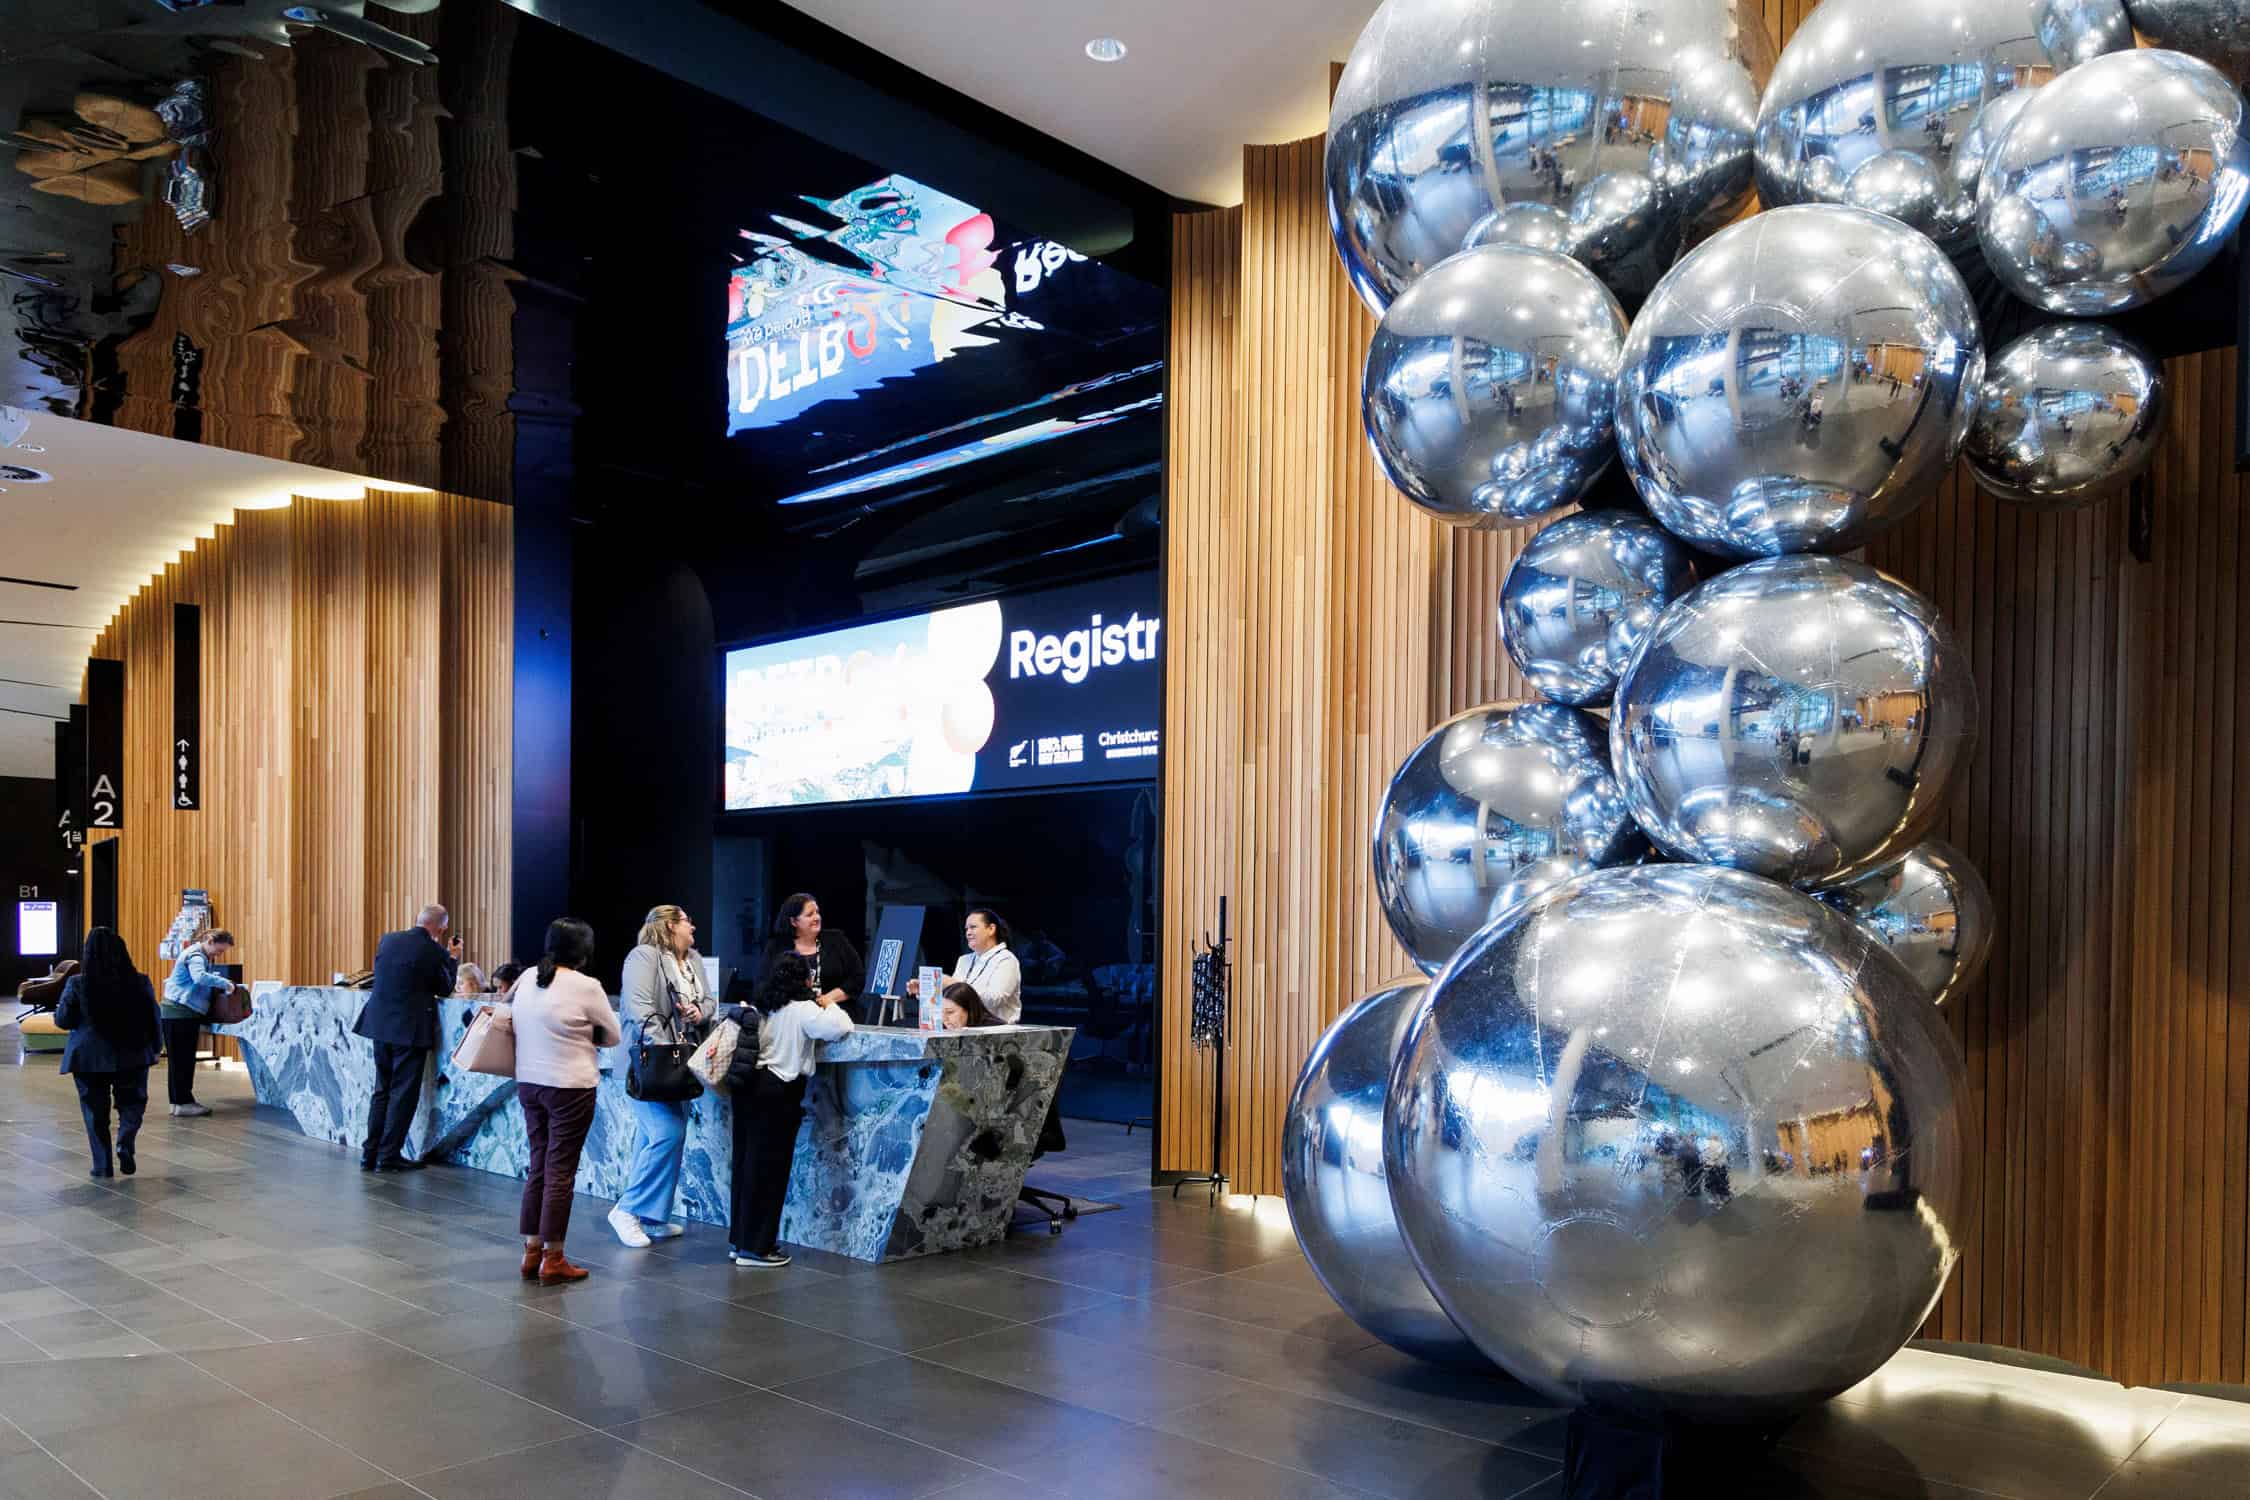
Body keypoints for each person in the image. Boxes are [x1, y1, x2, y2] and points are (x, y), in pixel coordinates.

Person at [511, 918, 620, 1285]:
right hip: (569, 1087)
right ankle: (553, 1258)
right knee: (560, 1172)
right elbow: (613, 1035)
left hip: (529, 1082)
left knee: (538, 1166)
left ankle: (531, 1251)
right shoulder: (587, 986)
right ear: (584, 951)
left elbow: (510, 1015)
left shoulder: (527, 977)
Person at [729, 952, 851, 1268]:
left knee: (746, 1166)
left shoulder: (762, 1005)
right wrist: (829, 1002)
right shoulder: (804, 1010)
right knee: (769, 1171)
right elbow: (841, 1027)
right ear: (806, 981)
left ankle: (740, 1241)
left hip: (747, 1088)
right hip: (777, 1092)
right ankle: (758, 1248)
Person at [610, 903, 709, 1249]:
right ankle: (626, 1209)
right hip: (650, 1063)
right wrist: (667, 1050)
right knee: (668, 1132)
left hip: (681, 1063)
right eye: (687, 921)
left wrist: (699, 1012)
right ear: (669, 926)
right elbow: (639, 1010)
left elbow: (710, 1001)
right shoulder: (644, 957)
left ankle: (651, 1216)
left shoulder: (693, 960)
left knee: (653, 1138)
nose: (693, 926)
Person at [352, 904, 460, 1172]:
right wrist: (453, 958)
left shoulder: (388, 940)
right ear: (441, 927)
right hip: (409, 1030)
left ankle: (370, 1155)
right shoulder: (434, 951)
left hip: (380, 1025)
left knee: (382, 1091)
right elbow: (445, 989)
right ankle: (388, 1157)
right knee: (402, 1095)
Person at [55, 928, 162, 1178]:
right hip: (132, 1054)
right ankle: (125, 1140)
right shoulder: (140, 981)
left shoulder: (78, 983)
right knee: (133, 1103)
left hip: (88, 1057)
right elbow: (153, 1018)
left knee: (94, 1112)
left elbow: (64, 1021)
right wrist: (156, 1048)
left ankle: (102, 1166)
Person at [160, 928, 236, 1117]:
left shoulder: (195, 953)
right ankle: (183, 1102)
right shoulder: (196, 955)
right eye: (219, 950)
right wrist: (225, 984)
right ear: (209, 940)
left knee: (179, 1061)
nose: (219, 954)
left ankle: (178, 1103)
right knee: (183, 1061)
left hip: (175, 1013)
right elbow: (199, 977)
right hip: (181, 1013)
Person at [906, 909, 1022, 1023]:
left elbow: (995, 1000)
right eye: (966, 928)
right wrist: (928, 990)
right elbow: (952, 1002)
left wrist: (953, 984)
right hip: (963, 1028)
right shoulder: (964, 960)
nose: (968, 933)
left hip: (998, 1031)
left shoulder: (1006, 960)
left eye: (973, 927)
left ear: (991, 929)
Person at [765, 893, 863, 1012]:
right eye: (810, 914)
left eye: (817, 912)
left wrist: (828, 998)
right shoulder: (777, 947)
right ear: (794, 921)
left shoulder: (836, 940)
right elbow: (765, 986)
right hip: (792, 1016)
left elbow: (858, 978)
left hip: (836, 1014)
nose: (817, 917)